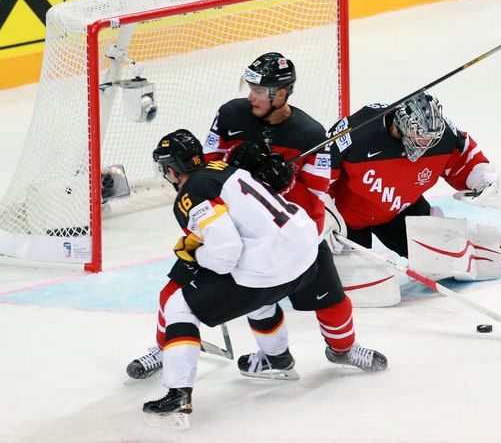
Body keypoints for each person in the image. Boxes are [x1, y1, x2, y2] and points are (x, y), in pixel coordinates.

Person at [127, 52, 384, 382]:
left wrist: (284, 182)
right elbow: (207, 168)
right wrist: (237, 160)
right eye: (250, 87)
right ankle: (168, 347)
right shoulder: (232, 115)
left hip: (294, 234)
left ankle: (343, 349)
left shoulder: (311, 134)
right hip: (229, 227)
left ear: (281, 93)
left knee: (331, 300)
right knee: (180, 291)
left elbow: (317, 197)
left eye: (260, 91)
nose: (251, 96)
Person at [142, 129, 386, 416]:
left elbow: (225, 253)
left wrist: (196, 252)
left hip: (269, 268)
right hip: (308, 255)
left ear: (171, 170)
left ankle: (177, 394)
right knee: (259, 294)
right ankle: (276, 359)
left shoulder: (190, 194)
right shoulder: (226, 169)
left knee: (179, 307)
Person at [327, 90, 501, 259]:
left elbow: (467, 161)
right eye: (421, 137)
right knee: (360, 280)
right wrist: (323, 219)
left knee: (445, 258)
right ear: (403, 124)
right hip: (346, 220)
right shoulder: (358, 133)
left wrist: (489, 183)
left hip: (400, 211)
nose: (427, 145)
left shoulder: (443, 136)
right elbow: (319, 173)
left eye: (431, 139)